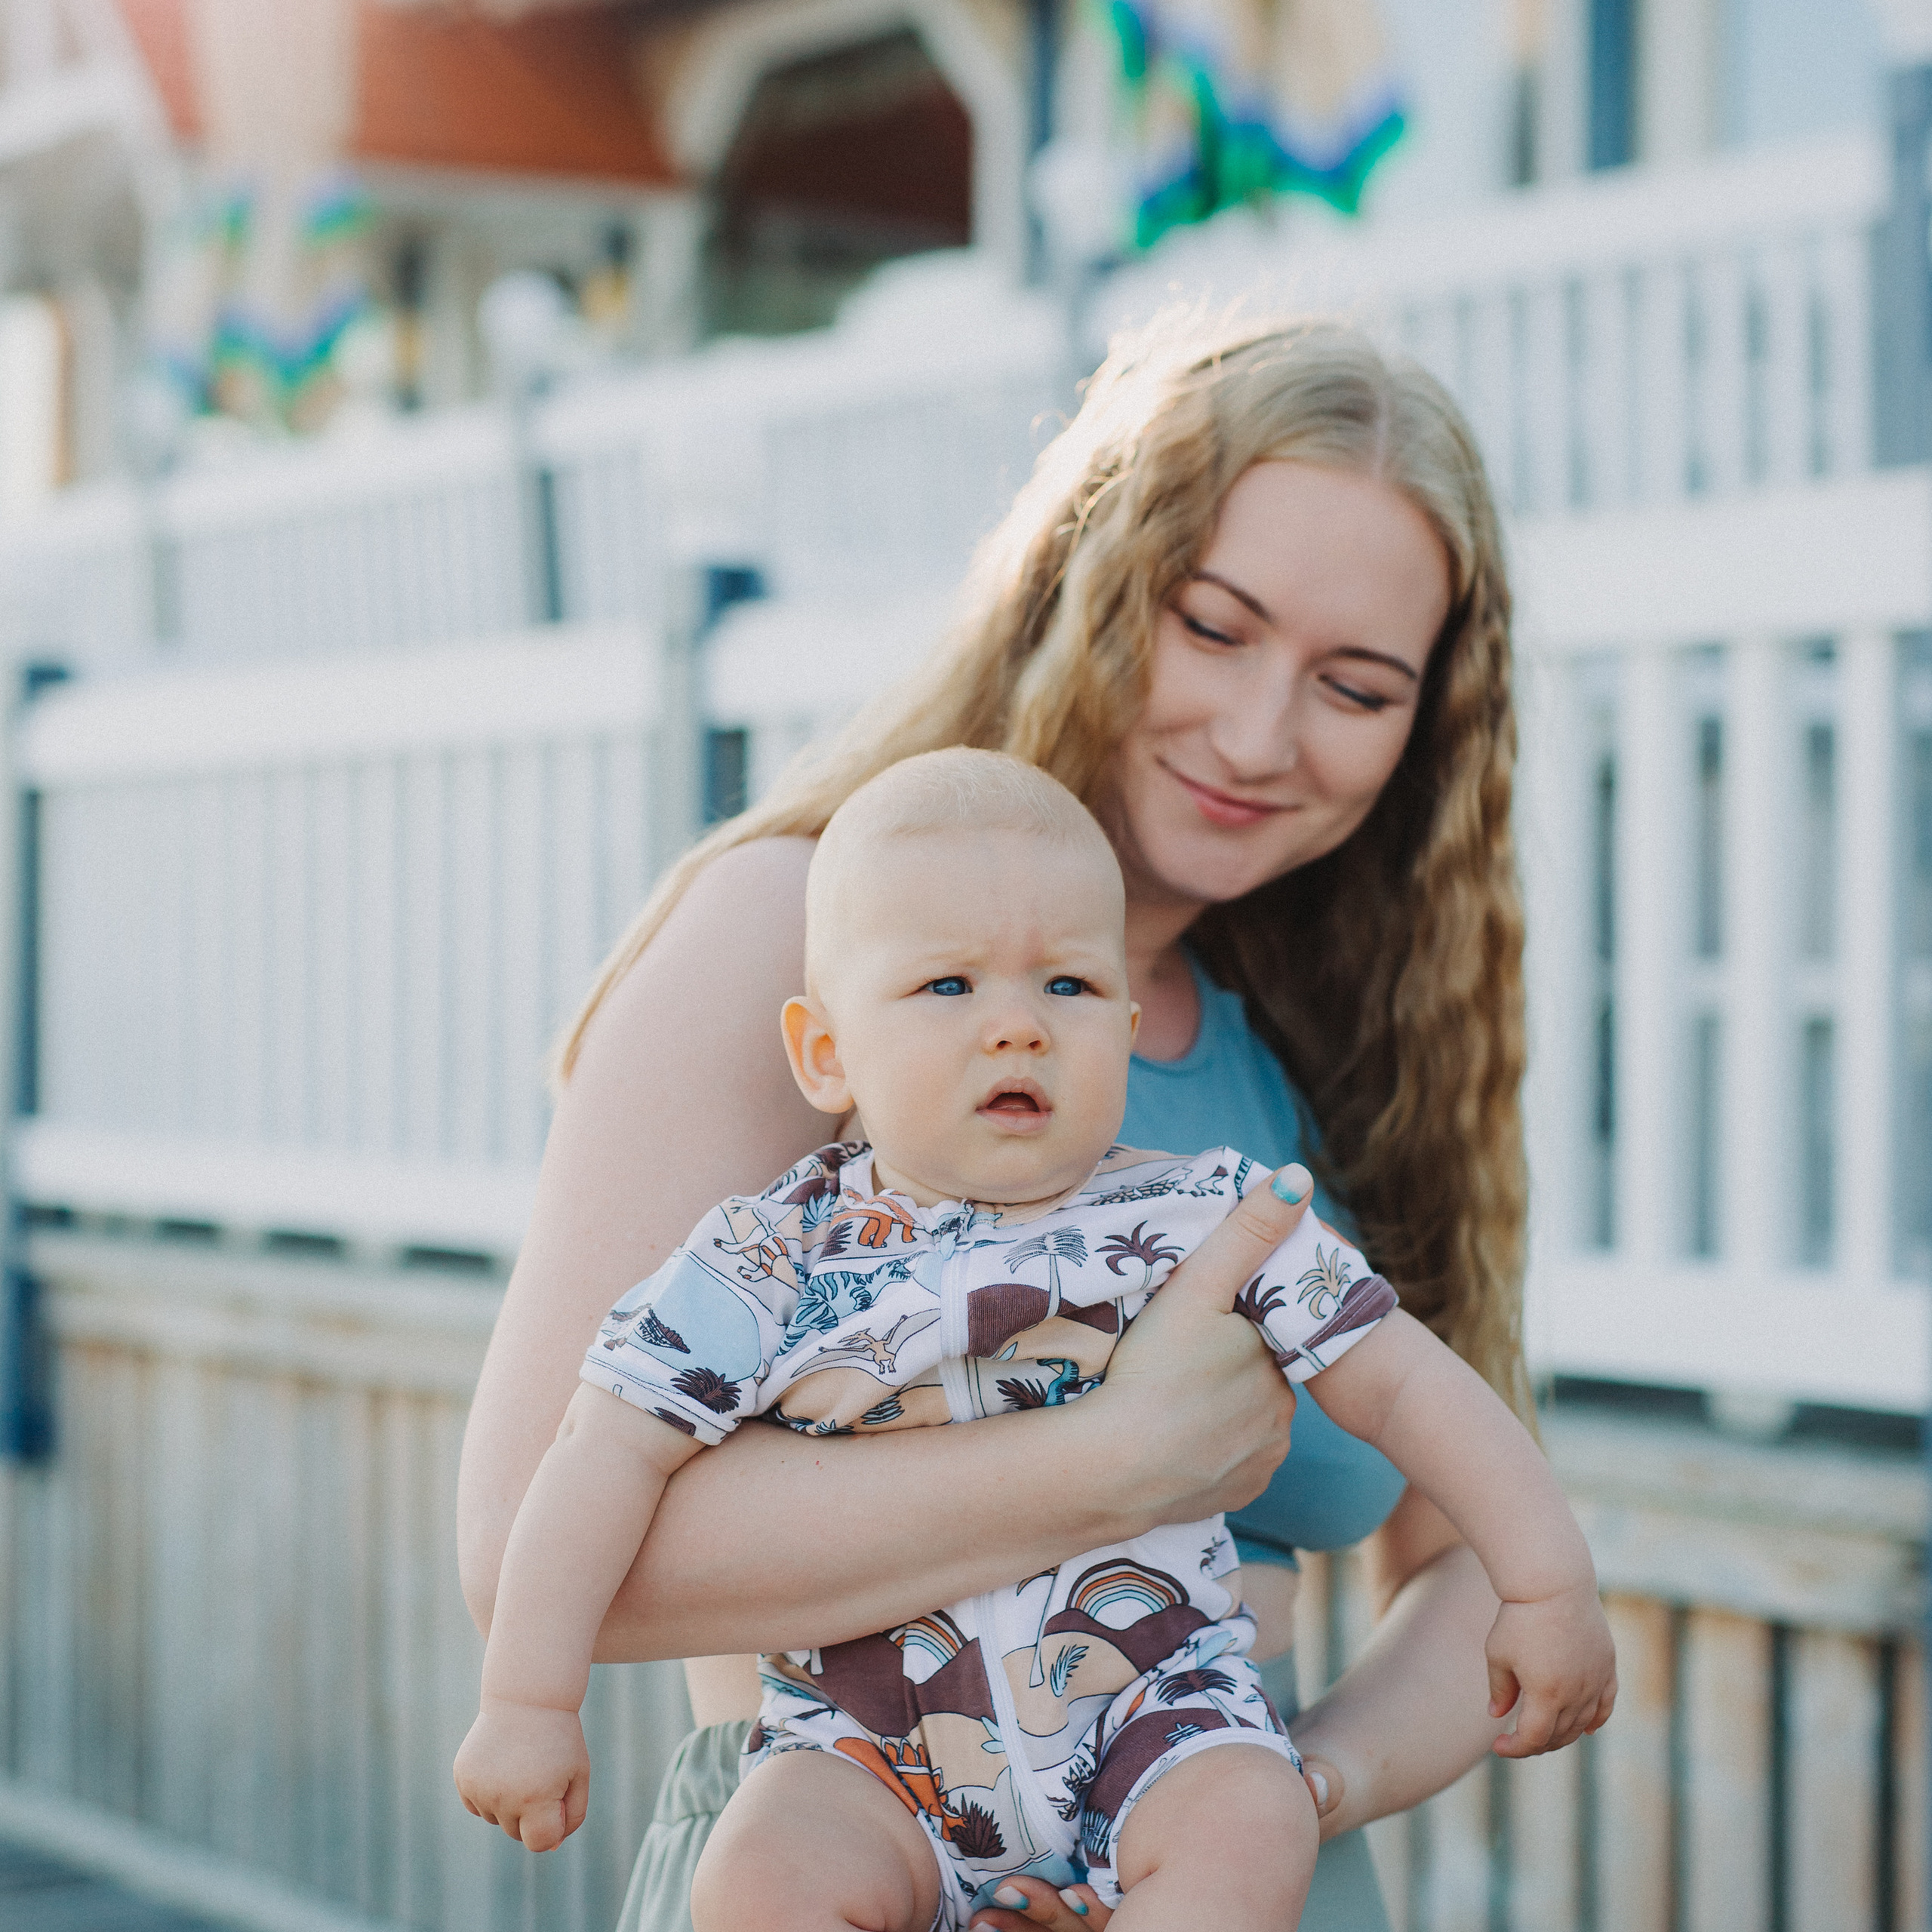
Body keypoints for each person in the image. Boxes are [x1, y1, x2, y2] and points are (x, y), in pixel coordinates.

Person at [457, 310, 1550, 1932]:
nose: (1260, 735)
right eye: (1214, 626)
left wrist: (1276, 1786)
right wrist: (1112, 1462)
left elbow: (1471, 1558)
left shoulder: (1346, 1039)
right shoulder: (800, 931)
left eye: (1354, 683)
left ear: (1424, 728)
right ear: (1091, 580)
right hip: (851, 1857)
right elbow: (523, 1550)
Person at [454, 752, 1613, 1932]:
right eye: (948, 987)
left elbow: (1408, 1383)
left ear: (1122, 1018)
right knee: (758, 1878)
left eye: (1065, 986)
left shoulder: (1206, 1214)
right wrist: (532, 1702)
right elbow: (602, 1454)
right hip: (867, 1755)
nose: (1016, 1027)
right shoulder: (763, 1260)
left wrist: (1547, 1576)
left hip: (1153, 1718)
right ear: (826, 1053)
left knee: (1249, 1819)